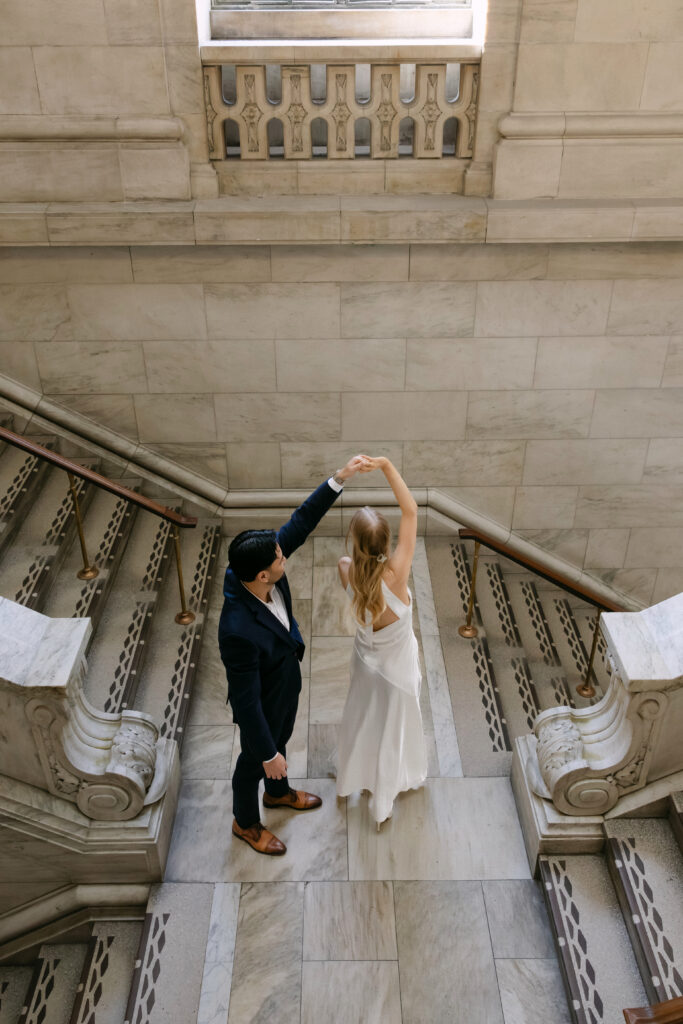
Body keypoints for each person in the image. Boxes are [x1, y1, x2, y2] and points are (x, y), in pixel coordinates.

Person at [219, 454, 367, 856]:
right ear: (263, 575)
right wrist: (267, 753)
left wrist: (340, 478)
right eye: (280, 559)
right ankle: (246, 823)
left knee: (282, 738)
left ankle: (278, 794)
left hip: (283, 680)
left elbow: (300, 523)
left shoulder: (254, 567)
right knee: (253, 762)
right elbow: (247, 702)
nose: (286, 557)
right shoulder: (237, 631)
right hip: (261, 700)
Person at [336, 456, 427, 828]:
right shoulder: (399, 573)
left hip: (365, 663)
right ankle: (382, 799)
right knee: (392, 733)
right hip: (397, 672)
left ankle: (350, 776)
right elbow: (411, 510)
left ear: (354, 545)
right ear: (387, 543)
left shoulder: (346, 569)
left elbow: (355, 567)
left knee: (361, 720)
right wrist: (387, 466)